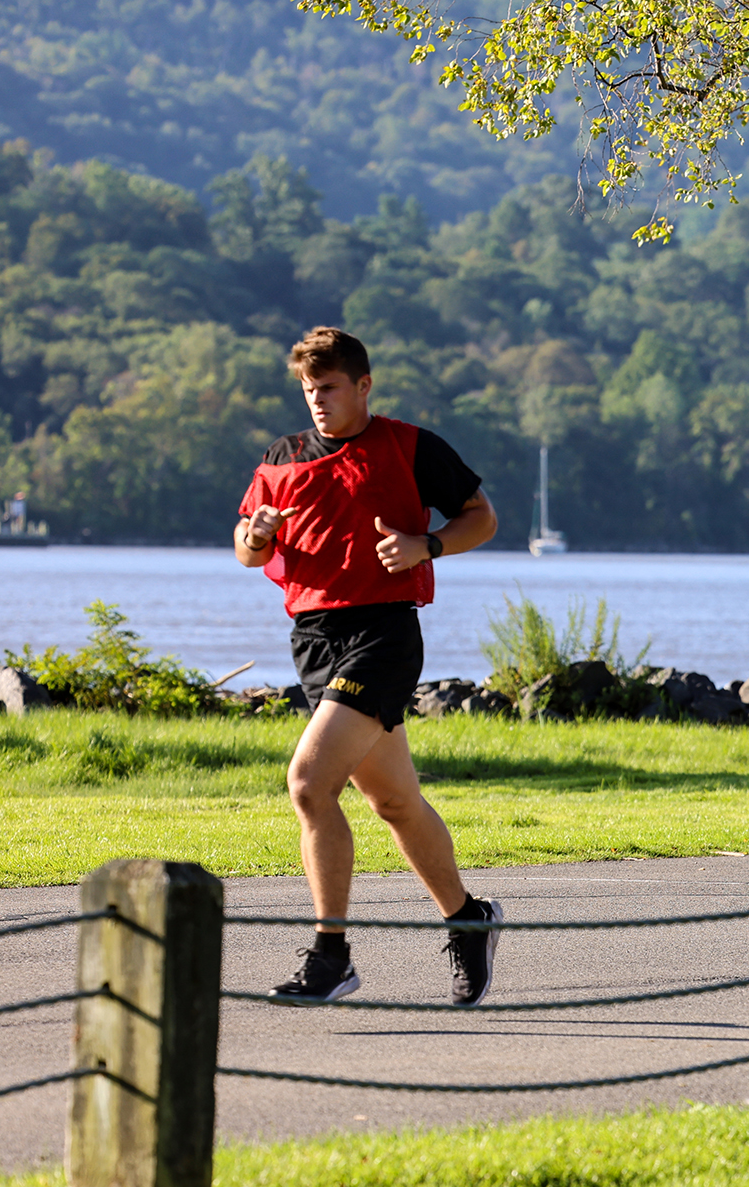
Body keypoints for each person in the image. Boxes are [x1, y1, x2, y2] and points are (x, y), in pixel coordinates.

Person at [236, 326, 505, 1003]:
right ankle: (469, 919)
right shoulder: (282, 457)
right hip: (313, 639)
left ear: (363, 386)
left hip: (383, 633)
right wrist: (256, 536)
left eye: (329, 388)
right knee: (393, 800)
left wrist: (428, 545)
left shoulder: (410, 447)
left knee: (307, 783)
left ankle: (332, 957)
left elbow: (482, 518)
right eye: (308, 390)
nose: (317, 401)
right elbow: (245, 547)